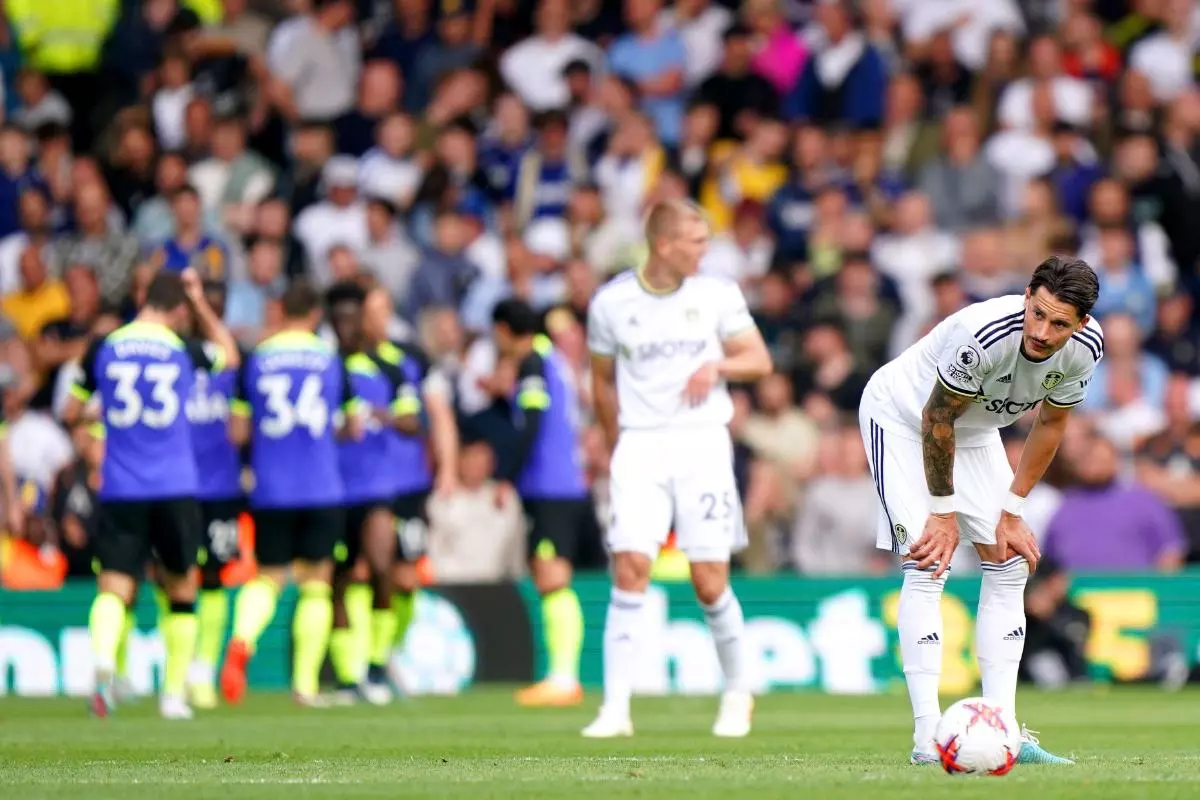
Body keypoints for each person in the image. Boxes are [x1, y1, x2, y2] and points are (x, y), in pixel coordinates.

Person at [858, 255, 1102, 766]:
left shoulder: (1085, 349)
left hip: (972, 431)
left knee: (1010, 562)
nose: (1042, 330)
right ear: (1028, 295)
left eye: (1059, 323)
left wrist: (1013, 510)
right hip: (904, 418)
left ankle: (1005, 732)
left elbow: (1051, 425)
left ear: (1080, 324)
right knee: (928, 559)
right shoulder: (984, 332)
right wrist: (942, 513)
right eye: (1037, 313)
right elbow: (936, 416)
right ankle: (928, 738)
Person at [583, 199, 773, 738]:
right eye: (696, 240)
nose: (705, 250)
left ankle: (738, 691)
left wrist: (718, 365)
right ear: (663, 244)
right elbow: (600, 380)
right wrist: (616, 440)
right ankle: (615, 709)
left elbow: (759, 360)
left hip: (702, 447)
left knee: (709, 581)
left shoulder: (717, 295)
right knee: (629, 569)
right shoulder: (612, 303)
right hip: (640, 449)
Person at [62, 269, 241, 720]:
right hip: (175, 486)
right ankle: (173, 696)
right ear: (179, 308)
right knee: (181, 589)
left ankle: (103, 668)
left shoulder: (105, 345)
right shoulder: (181, 347)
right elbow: (230, 355)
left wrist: (102, 425)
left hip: (121, 487)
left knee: (115, 586)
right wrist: (201, 305)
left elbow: (70, 410)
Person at [219, 279, 362, 707]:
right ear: (316, 314)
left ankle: (242, 639)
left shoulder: (257, 358)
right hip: (321, 486)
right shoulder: (331, 359)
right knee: (317, 585)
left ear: (280, 311)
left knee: (269, 577)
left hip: (272, 487)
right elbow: (352, 427)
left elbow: (238, 430)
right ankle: (304, 685)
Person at [491, 297, 593, 707]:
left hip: (549, 487)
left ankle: (564, 678)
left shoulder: (533, 363)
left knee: (551, 578)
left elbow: (531, 425)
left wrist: (507, 478)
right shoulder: (554, 362)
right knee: (552, 578)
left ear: (503, 331)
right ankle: (562, 676)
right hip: (563, 484)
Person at [361, 282, 459, 695]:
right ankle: (360, 665)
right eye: (372, 310)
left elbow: (439, 413)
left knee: (405, 578)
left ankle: (385, 654)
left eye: (384, 309)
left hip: (407, 484)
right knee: (364, 571)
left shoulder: (412, 358)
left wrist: (449, 467)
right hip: (359, 485)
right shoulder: (342, 356)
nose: (378, 318)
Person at [324, 280, 418, 705]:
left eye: (351, 318)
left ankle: (377, 666)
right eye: (338, 319)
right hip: (333, 487)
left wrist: (379, 415)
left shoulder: (390, 368)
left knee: (382, 568)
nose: (346, 327)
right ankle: (348, 677)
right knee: (339, 580)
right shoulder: (325, 367)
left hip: (377, 485)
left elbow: (413, 422)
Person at [184, 280, 248, 710]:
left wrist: (200, 306)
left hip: (220, 488)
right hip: (179, 487)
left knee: (213, 579)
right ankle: (180, 669)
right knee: (175, 577)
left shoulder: (228, 368)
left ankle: (203, 670)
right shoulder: (173, 358)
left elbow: (229, 349)